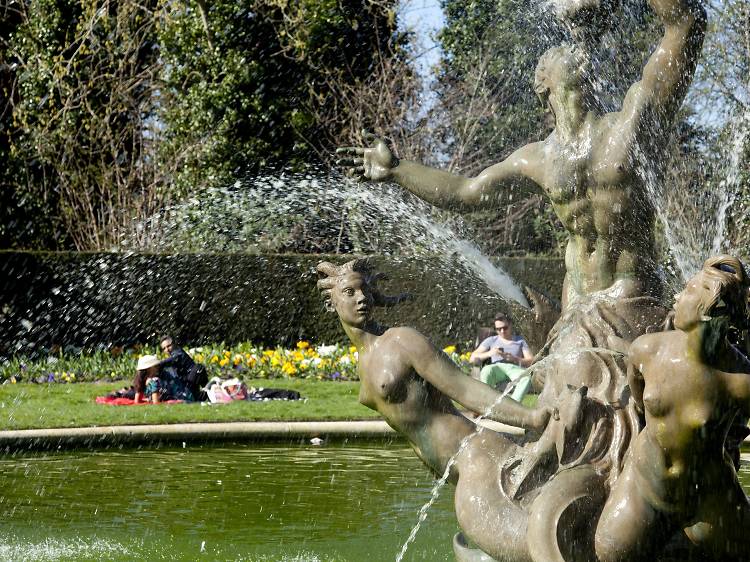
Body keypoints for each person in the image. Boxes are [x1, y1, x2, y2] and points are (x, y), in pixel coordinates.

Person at [317, 257, 557, 560]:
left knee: (533, 549)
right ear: (332, 303)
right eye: (349, 292)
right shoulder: (365, 360)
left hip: (476, 458)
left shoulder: (401, 340)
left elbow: (462, 387)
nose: (362, 297)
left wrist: (530, 416)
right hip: (457, 472)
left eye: (364, 289)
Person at [595, 255, 750, 562]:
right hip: (646, 484)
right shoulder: (647, 350)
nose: (678, 297)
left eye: (689, 292)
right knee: (611, 553)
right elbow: (640, 399)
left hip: (707, 494)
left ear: (708, 315)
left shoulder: (740, 380)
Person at [470, 313, 534, 402]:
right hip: (496, 368)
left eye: (505, 328)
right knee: (486, 371)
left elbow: (531, 361)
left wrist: (514, 359)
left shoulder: (520, 341)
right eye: (498, 329)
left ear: (510, 325)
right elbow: (472, 358)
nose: (502, 331)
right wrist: (490, 353)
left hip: (514, 368)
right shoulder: (491, 340)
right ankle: (484, 403)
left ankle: (513, 405)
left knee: (526, 378)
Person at [160, 336, 208, 401]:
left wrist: (157, 364)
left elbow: (172, 360)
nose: (167, 349)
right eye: (164, 348)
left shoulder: (178, 353)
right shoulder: (174, 355)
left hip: (193, 377)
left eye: (168, 346)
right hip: (188, 382)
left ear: (173, 344)